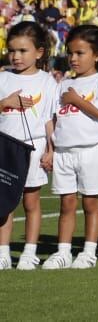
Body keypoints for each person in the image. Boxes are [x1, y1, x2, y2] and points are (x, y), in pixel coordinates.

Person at [43, 25, 98, 270]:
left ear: (97, 55)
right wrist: (50, 149)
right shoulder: (62, 83)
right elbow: (54, 119)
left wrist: (77, 100)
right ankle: (63, 252)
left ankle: (88, 252)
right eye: (70, 53)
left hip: (90, 150)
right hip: (63, 152)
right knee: (66, 204)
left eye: (80, 53)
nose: (73, 58)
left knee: (90, 204)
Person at [0, 22, 57, 270]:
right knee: (4, 203)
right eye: (12, 50)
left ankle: (29, 252)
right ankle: (3, 252)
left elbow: (49, 119)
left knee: (31, 203)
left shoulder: (47, 82)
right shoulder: (3, 78)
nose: (16, 56)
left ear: (39, 52)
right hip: (4, 149)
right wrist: (6, 102)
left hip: (33, 148)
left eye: (23, 50)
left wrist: (51, 150)